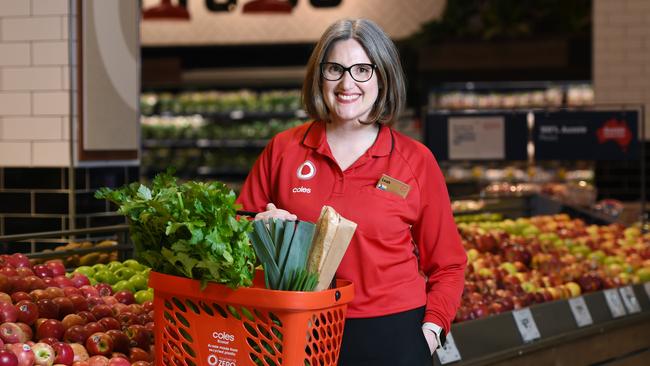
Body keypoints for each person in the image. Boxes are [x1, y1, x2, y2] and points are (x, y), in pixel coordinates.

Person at [237, 18, 466, 366]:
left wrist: (431, 333)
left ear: (383, 77)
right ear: (320, 76)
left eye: (362, 69)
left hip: (393, 333)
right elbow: (237, 232)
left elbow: (448, 265)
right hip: (299, 328)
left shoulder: (415, 161)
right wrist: (259, 230)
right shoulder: (284, 150)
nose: (347, 83)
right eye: (335, 69)